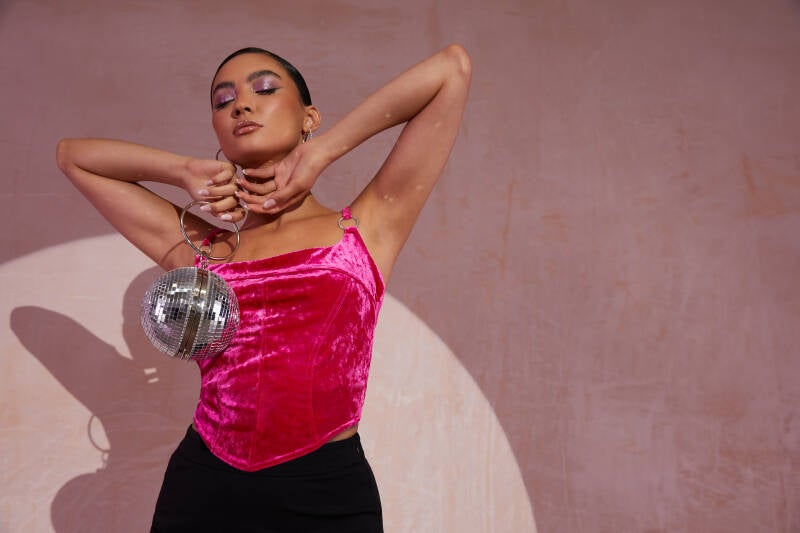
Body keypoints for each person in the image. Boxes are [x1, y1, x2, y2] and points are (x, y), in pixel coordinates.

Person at [56, 43, 471, 532]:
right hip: (203, 488)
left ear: (308, 117)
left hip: (327, 494)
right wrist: (181, 171)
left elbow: (451, 69)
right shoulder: (204, 248)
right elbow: (73, 157)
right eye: (223, 100)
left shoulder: (366, 226)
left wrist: (323, 151)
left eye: (265, 89)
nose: (242, 105)